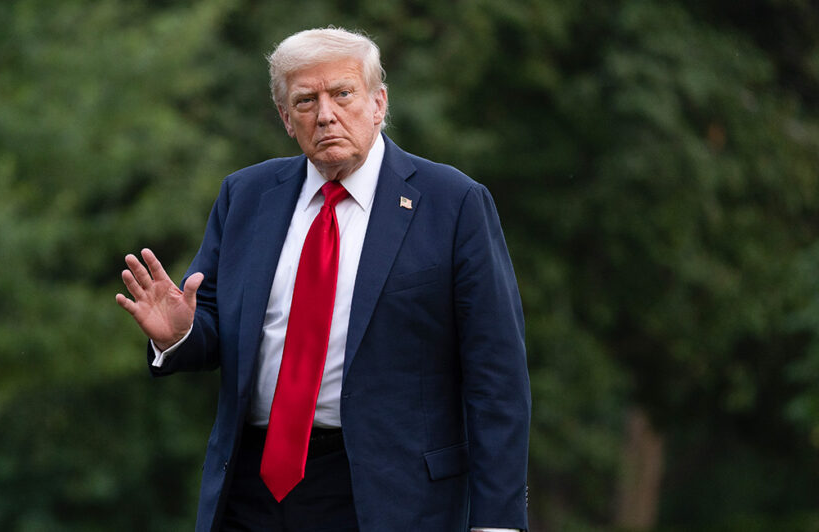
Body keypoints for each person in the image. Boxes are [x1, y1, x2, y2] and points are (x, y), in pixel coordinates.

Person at [117, 27, 530, 532]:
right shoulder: (246, 196)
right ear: (287, 119)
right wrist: (180, 334)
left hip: (388, 497)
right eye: (306, 100)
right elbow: (216, 326)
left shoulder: (454, 204)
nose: (326, 114)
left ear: (378, 103)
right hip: (251, 488)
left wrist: (498, 523)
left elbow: (497, 379)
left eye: (342, 94)